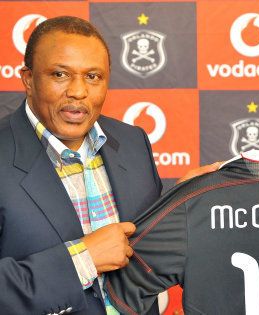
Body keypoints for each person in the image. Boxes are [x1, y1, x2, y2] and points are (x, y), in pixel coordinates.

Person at [0, 16, 163, 314]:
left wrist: (195, 197)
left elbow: (152, 243)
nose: (78, 91)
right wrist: (82, 260)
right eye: (60, 74)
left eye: (93, 77)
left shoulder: (133, 141)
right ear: (28, 79)